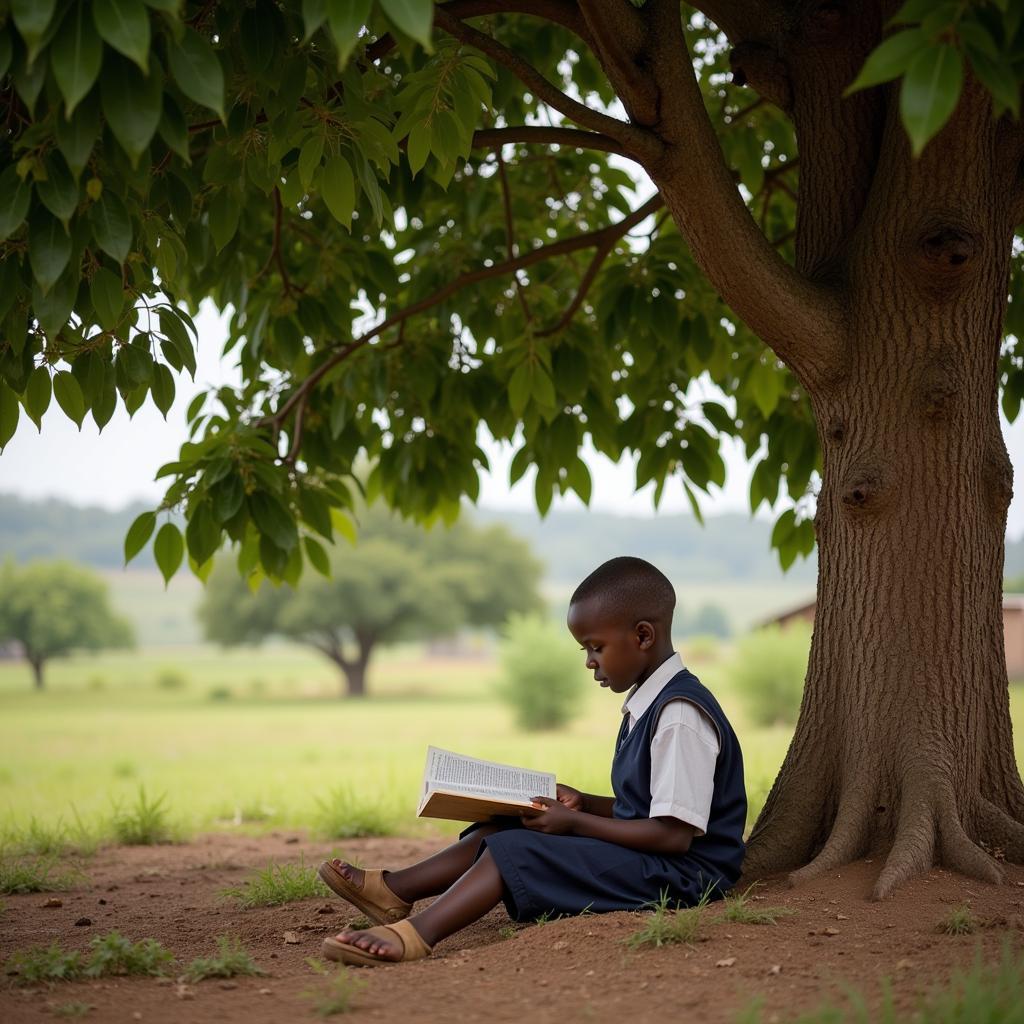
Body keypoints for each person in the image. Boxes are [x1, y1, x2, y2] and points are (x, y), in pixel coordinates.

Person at [318, 556, 746, 966]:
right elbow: (648, 809)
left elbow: (672, 835)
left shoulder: (679, 717)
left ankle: (416, 935)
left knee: (519, 851)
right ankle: (393, 890)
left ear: (643, 637)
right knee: (507, 826)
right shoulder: (647, 704)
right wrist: (583, 803)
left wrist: (575, 824)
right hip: (657, 859)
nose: (589, 662)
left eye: (596, 647)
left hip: (684, 876)